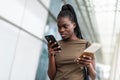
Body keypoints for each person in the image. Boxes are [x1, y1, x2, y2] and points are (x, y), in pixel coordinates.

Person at [47, 4, 96, 80]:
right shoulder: (56, 46)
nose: (61, 30)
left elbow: (93, 76)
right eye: (59, 27)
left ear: (74, 25)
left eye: (65, 26)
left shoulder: (86, 45)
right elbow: (51, 77)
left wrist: (88, 65)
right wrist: (51, 55)